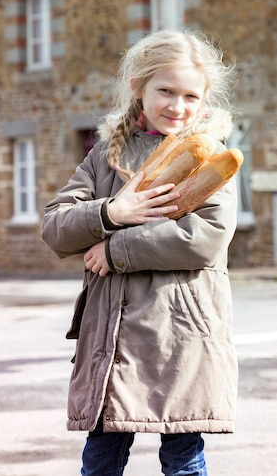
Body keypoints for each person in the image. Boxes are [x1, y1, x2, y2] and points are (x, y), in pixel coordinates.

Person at [42, 29, 239, 476]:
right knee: (101, 462)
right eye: (165, 91)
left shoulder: (213, 157)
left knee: (183, 459)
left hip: (182, 334)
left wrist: (116, 250)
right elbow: (56, 227)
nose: (177, 106)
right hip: (110, 339)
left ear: (204, 99)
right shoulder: (103, 158)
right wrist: (114, 210)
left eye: (190, 95)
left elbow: (206, 237)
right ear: (139, 88)